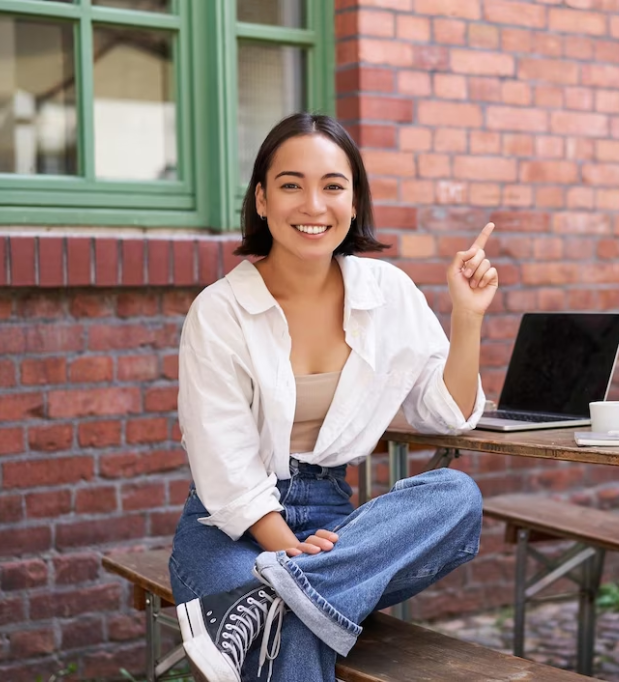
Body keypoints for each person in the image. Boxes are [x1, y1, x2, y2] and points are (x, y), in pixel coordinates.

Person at [169, 112, 499, 682]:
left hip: (337, 525)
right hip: (230, 527)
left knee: (456, 496)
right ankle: (287, 595)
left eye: (333, 187)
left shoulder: (387, 291)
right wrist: (287, 548)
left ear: (354, 202)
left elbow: (445, 414)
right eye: (291, 185)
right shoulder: (220, 311)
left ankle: (275, 596)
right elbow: (222, 461)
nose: (314, 206)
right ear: (263, 200)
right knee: (297, 624)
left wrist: (466, 318)